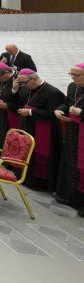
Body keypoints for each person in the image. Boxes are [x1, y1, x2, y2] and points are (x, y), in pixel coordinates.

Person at [13, 68, 66, 191]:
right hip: (28, 127)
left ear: (34, 79)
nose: (23, 86)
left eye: (24, 83)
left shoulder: (53, 92)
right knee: (27, 153)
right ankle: (24, 177)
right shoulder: (29, 87)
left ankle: (39, 183)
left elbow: (53, 114)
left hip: (44, 131)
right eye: (20, 83)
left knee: (38, 156)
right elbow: (21, 102)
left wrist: (30, 112)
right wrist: (15, 90)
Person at [54, 63, 84, 216]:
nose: (73, 77)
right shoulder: (73, 86)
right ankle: (68, 196)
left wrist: (81, 113)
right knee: (70, 161)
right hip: (72, 130)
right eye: (71, 74)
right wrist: (60, 109)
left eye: (76, 75)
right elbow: (66, 102)